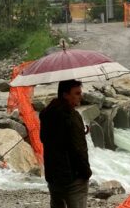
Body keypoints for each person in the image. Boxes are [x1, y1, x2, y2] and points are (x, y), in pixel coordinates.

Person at [40, 80, 91, 208]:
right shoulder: (72, 117)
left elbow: (45, 139)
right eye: (77, 93)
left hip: (54, 176)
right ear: (65, 95)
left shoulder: (47, 114)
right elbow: (79, 149)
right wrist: (86, 172)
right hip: (73, 178)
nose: (81, 96)